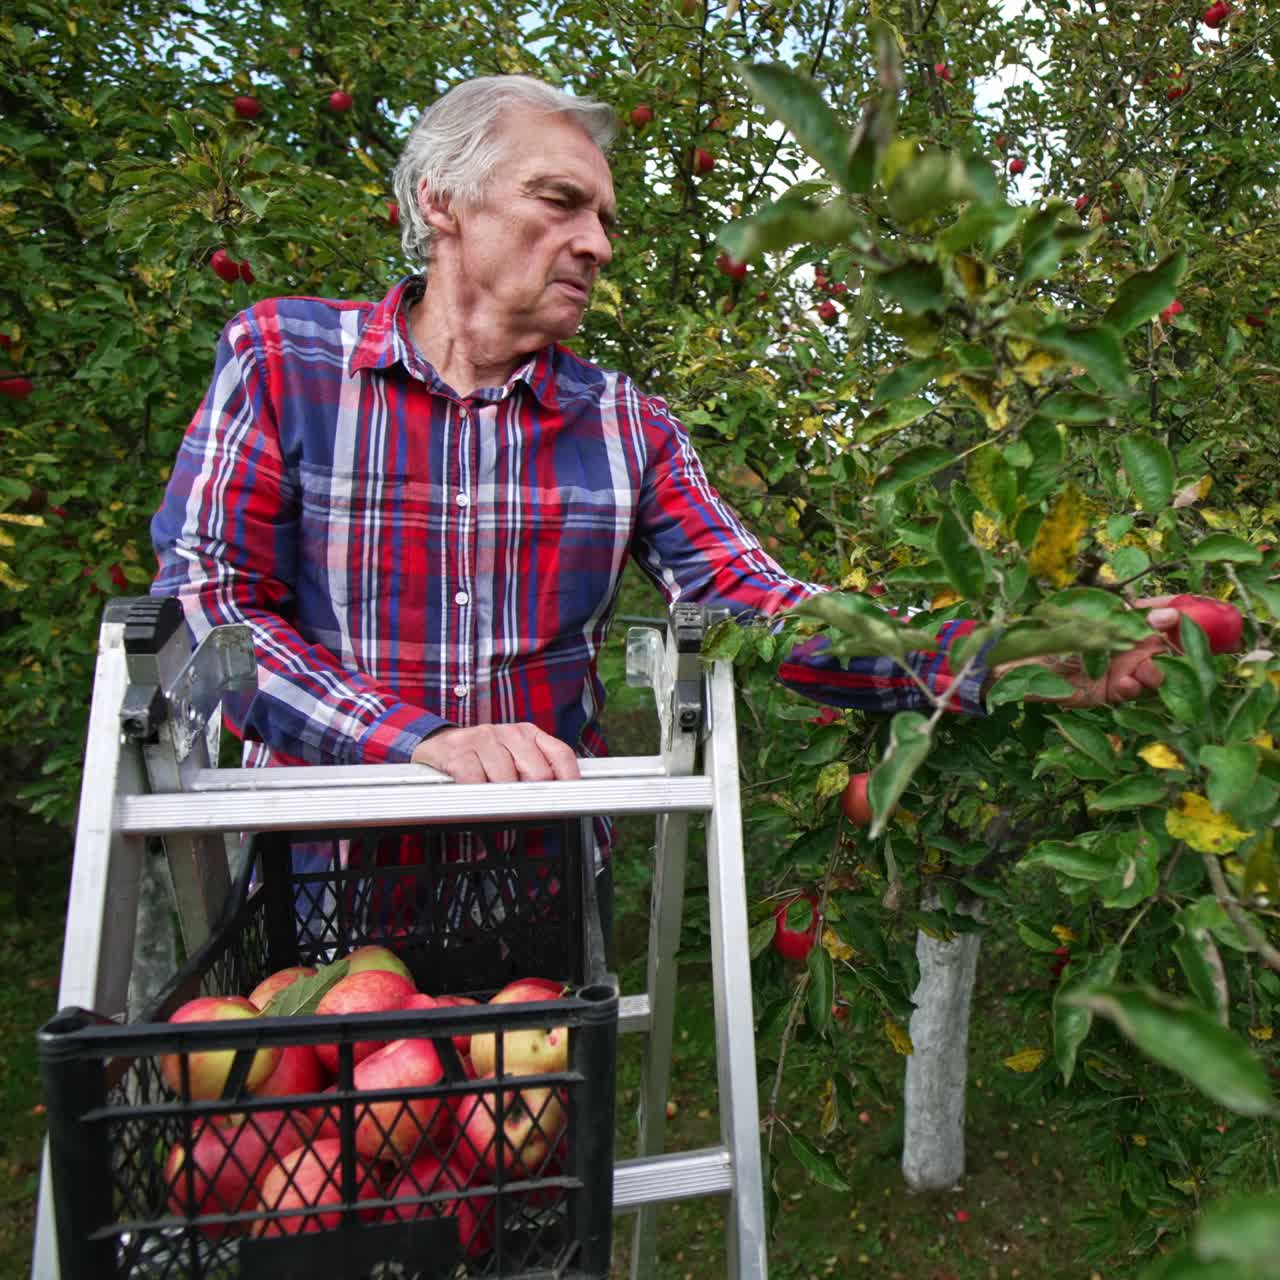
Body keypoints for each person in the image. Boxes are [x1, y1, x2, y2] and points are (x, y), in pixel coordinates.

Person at [150, 76, 1177, 901]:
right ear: (441, 201)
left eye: (600, 216)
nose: (595, 242)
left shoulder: (622, 424)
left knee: (536, 1156)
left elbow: (767, 613)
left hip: (534, 882)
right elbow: (207, 611)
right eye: (558, 202)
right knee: (307, 1155)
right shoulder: (286, 360)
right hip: (320, 874)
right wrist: (417, 743)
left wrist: (1018, 654)